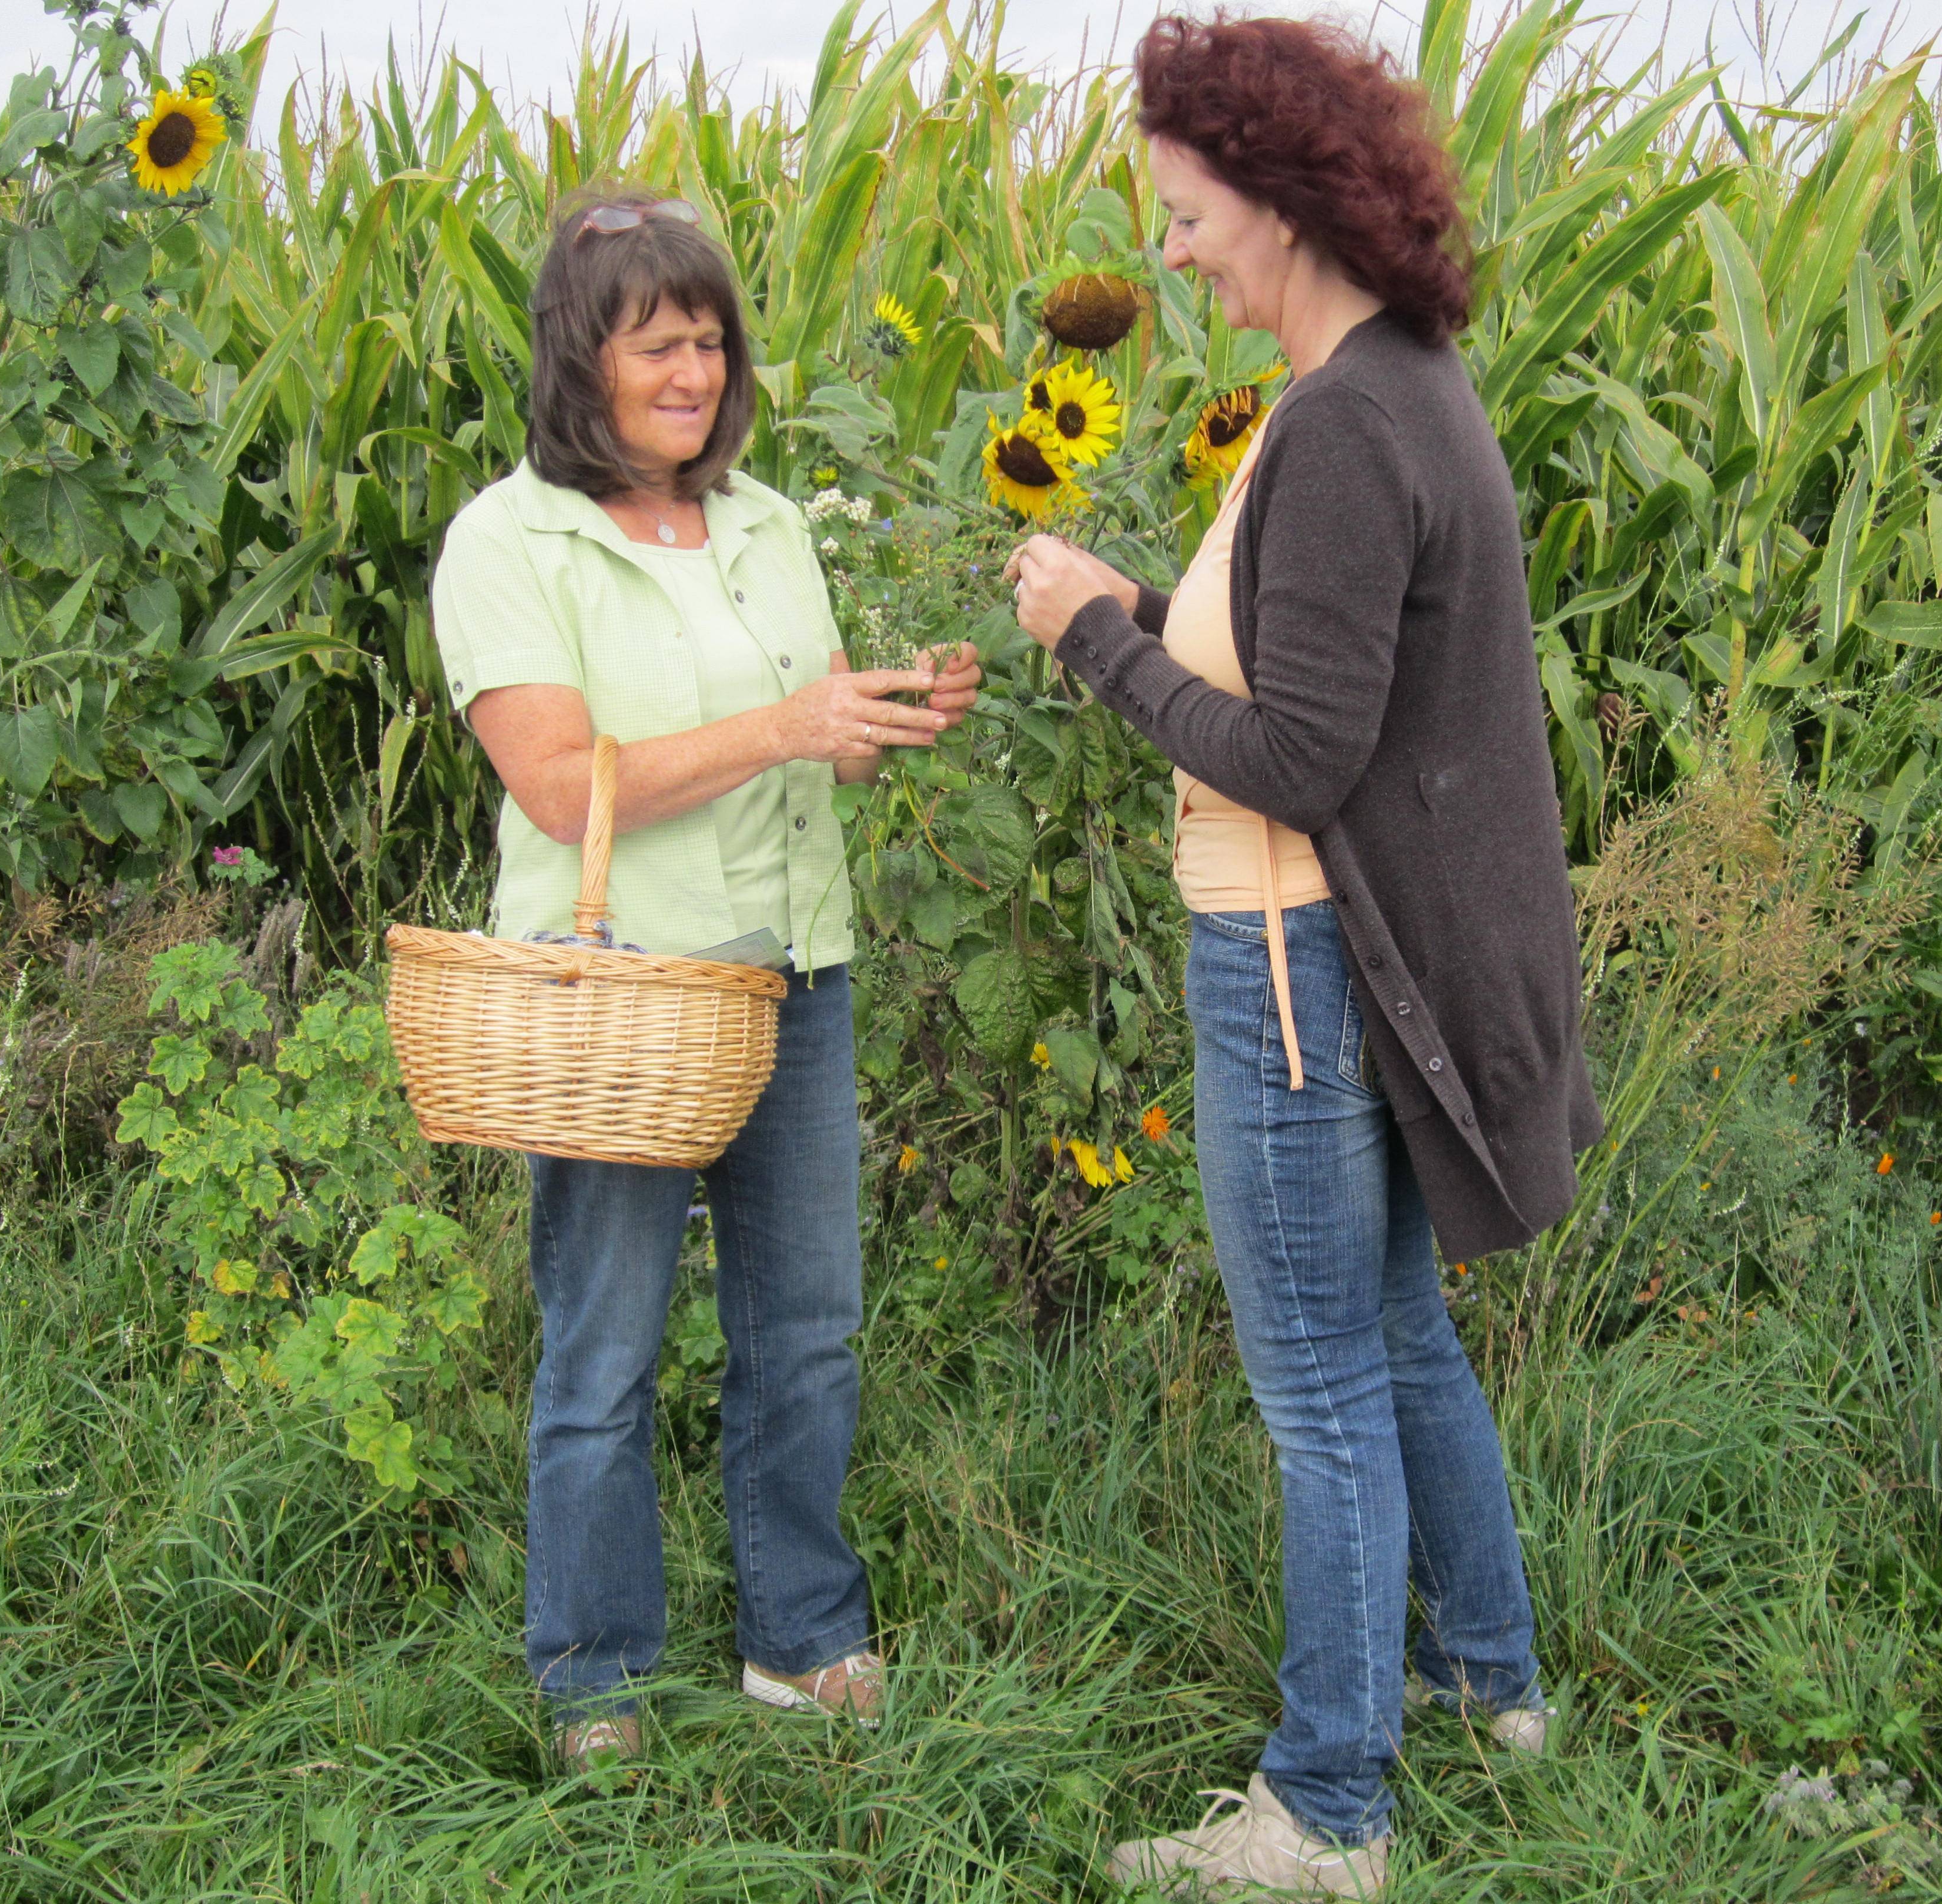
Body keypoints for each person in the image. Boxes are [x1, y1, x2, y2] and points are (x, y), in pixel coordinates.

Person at [1006, 17, 1602, 1895]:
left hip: (1288, 963)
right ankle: (1488, 1684)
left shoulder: (1348, 421)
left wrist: (1097, 626)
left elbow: (1298, 759)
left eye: (1184, 215)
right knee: (1399, 1337)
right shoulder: (1413, 381)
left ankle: (1328, 1810)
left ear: (1273, 200)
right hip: (1362, 958)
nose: (1168, 252)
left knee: (1322, 1381)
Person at [431, 187, 981, 1765]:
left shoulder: (766, 524)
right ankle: (593, 1677)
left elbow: (802, 742)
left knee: (806, 1329)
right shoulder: (509, 540)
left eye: (711, 339)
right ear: (577, 357)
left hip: (793, 977)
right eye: (654, 342)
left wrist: (877, 714)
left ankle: (800, 1642)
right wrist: (792, 728)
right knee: (604, 1346)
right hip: (620, 1003)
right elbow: (556, 781)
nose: (693, 368)